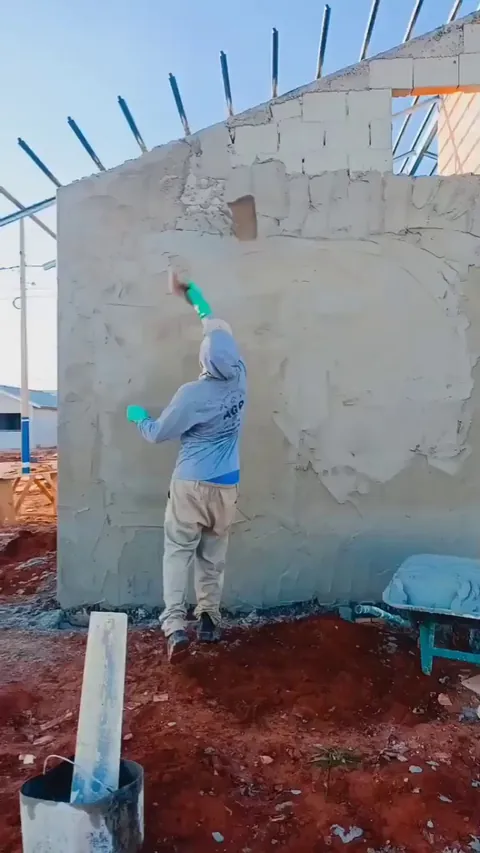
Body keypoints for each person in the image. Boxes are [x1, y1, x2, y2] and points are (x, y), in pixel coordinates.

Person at [126, 273, 247, 663]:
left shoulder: (192, 395)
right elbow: (214, 324)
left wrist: (139, 418)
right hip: (226, 485)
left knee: (178, 553)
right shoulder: (241, 378)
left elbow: (159, 434)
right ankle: (209, 617)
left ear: (203, 360)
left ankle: (175, 627)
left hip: (190, 485)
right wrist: (193, 295)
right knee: (213, 555)